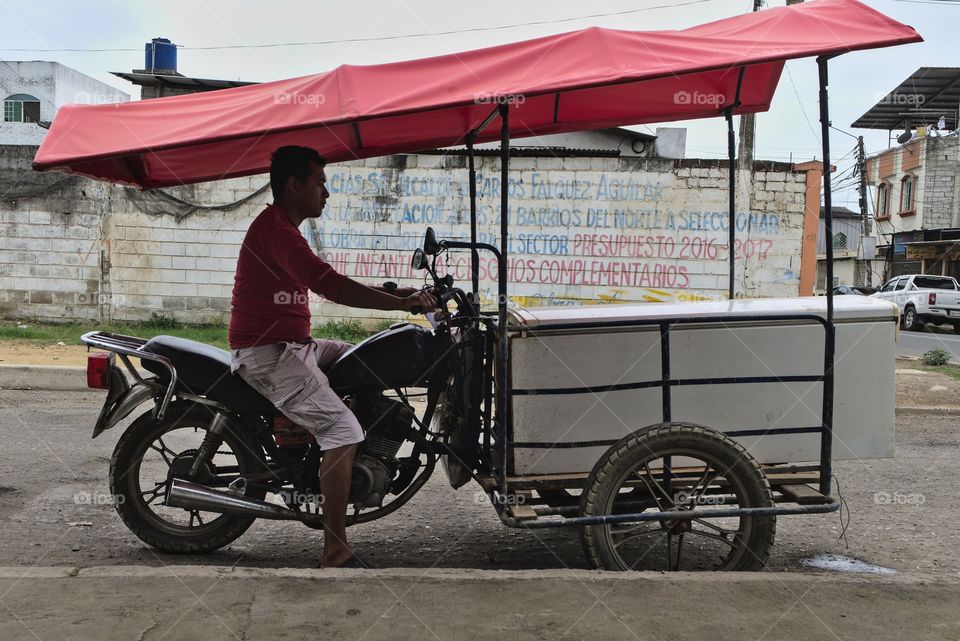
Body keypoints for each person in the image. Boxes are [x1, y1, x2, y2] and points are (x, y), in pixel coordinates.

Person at [228, 145, 435, 569]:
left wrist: (403, 295)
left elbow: (331, 280)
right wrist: (399, 305)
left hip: (294, 345)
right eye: (320, 183)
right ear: (294, 185)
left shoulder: (283, 228)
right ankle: (335, 550)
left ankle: (364, 448)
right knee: (343, 431)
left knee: (367, 360)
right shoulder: (277, 230)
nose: (327, 193)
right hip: (269, 354)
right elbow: (328, 284)